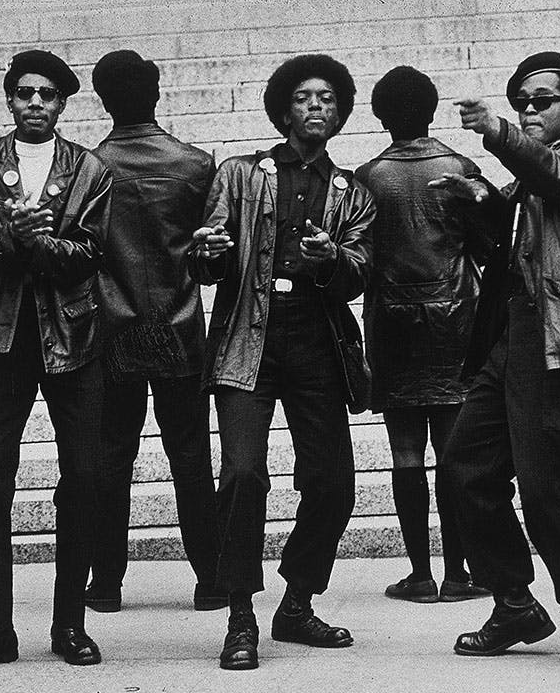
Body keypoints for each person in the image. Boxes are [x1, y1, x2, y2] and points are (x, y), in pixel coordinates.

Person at [433, 51, 560, 674]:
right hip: (515, 340)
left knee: (549, 490)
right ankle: (513, 602)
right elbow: (519, 228)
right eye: (521, 103)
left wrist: (496, 132)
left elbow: (557, 177)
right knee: (465, 466)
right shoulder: (533, 175)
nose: (528, 111)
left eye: (541, 101)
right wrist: (479, 199)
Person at [191, 53, 374, 671]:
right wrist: (209, 251)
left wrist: (330, 260)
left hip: (316, 344)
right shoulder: (241, 173)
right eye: (304, 97)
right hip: (250, 339)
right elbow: (207, 259)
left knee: (332, 481)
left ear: (341, 111)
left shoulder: (353, 190)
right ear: (284, 108)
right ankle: (240, 616)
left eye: (327, 98)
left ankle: (296, 603)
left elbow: (358, 273)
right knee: (243, 476)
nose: (316, 106)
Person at [0, 49, 112, 672]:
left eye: (47, 94)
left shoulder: (90, 169)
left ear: (64, 103)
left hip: (74, 337)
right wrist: (11, 238)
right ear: (9, 100)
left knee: (84, 479)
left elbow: (91, 250)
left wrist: (39, 242)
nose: (35, 103)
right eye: (24, 93)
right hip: (6, 336)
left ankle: (69, 623)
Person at [86, 49, 225, 613]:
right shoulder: (194, 164)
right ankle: (211, 579)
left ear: (101, 100)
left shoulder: (87, 166)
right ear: (157, 93)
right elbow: (213, 253)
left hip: (113, 328)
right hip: (180, 325)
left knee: (112, 459)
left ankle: (107, 583)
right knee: (190, 457)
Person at [354, 66, 493, 604]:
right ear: (433, 110)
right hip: (455, 319)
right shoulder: (459, 167)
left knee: (406, 450)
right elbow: (485, 244)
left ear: (381, 115)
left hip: (393, 321)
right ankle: (460, 573)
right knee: (454, 450)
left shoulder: (369, 175)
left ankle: (419, 574)